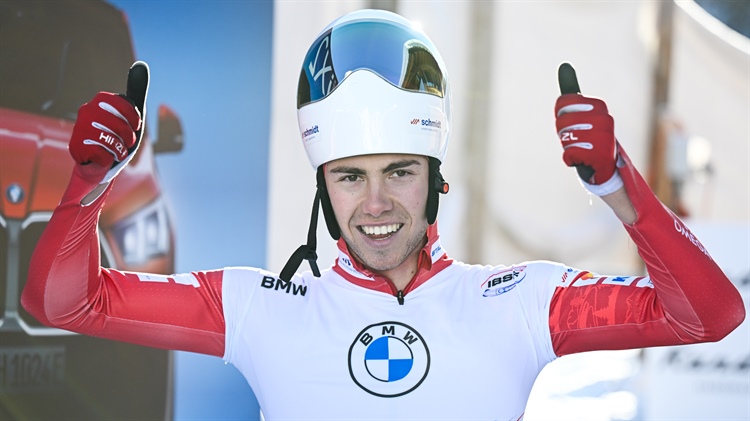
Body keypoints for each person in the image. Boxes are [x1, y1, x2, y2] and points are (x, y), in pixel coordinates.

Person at [22, 9, 745, 420]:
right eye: (349, 177)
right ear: (323, 188)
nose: (374, 203)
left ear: (435, 180)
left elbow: (709, 316)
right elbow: (64, 303)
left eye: (399, 172)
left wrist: (619, 184)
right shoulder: (256, 307)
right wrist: (90, 182)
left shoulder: (520, 301)